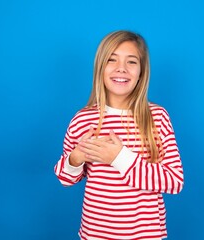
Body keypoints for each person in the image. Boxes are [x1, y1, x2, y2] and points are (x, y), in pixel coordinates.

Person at [54, 30, 184, 240]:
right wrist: (76, 158)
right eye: (111, 60)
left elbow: (174, 181)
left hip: (145, 235)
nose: (121, 68)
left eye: (131, 62)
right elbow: (65, 178)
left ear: (142, 71)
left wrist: (119, 158)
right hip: (94, 234)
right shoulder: (83, 119)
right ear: (100, 68)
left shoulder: (157, 117)